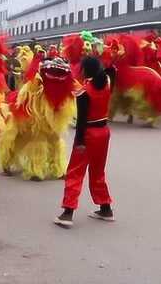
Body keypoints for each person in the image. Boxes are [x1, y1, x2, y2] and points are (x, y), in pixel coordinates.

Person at [55, 56, 114, 228]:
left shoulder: (84, 91)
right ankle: (105, 208)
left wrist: (78, 141)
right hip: (104, 133)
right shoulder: (108, 82)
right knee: (98, 172)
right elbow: (111, 70)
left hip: (88, 134)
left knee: (75, 173)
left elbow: (81, 120)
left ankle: (68, 212)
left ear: (86, 70)